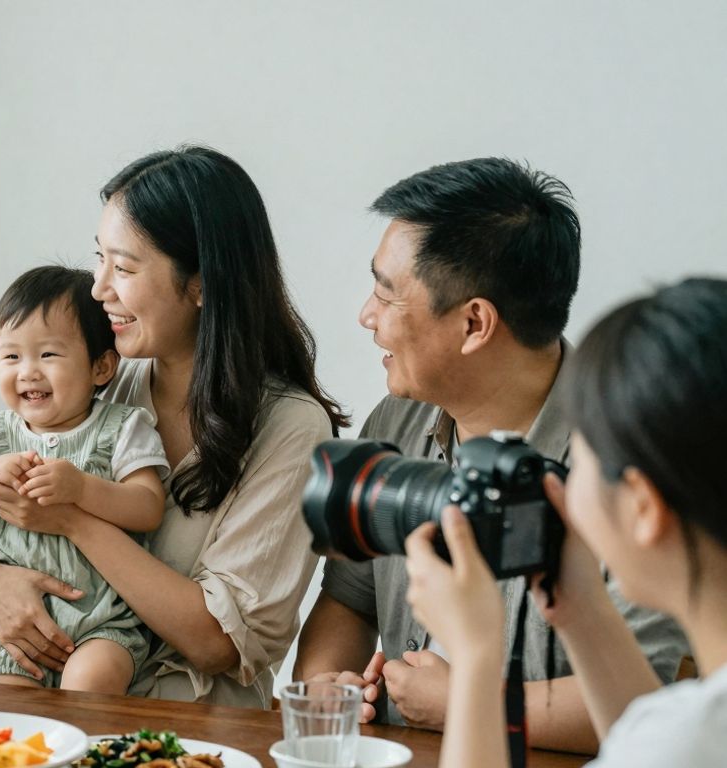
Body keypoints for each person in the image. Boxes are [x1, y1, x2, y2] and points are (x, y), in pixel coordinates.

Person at [0, 146, 347, 707]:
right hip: (26, 668)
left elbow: (217, 641)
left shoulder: (291, 428)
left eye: (123, 268)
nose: (99, 289)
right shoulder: (100, 380)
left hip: (175, 705)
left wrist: (74, 519)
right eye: (99, 259)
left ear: (200, 284)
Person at [294, 158, 687, 752]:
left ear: (475, 323)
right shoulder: (396, 421)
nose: (366, 316)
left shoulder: (623, 464)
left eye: (385, 292)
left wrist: (472, 701)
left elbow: (647, 707)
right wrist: (329, 687)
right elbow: (348, 596)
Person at [406, 277, 727, 768]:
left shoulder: (692, 735)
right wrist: (583, 611)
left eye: (582, 456)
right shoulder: (690, 727)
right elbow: (640, 741)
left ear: (642, 506)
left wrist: (474, 657)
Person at [0, 265, 169, 693]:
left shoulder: (122, 427)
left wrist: (84, 489)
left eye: (48, 355)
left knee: (92, 684)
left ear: (102, 367)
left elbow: (148, 507)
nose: (27, 371)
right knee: (1, 702)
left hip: (99, 619)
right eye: (11, 356)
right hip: (6, 627)